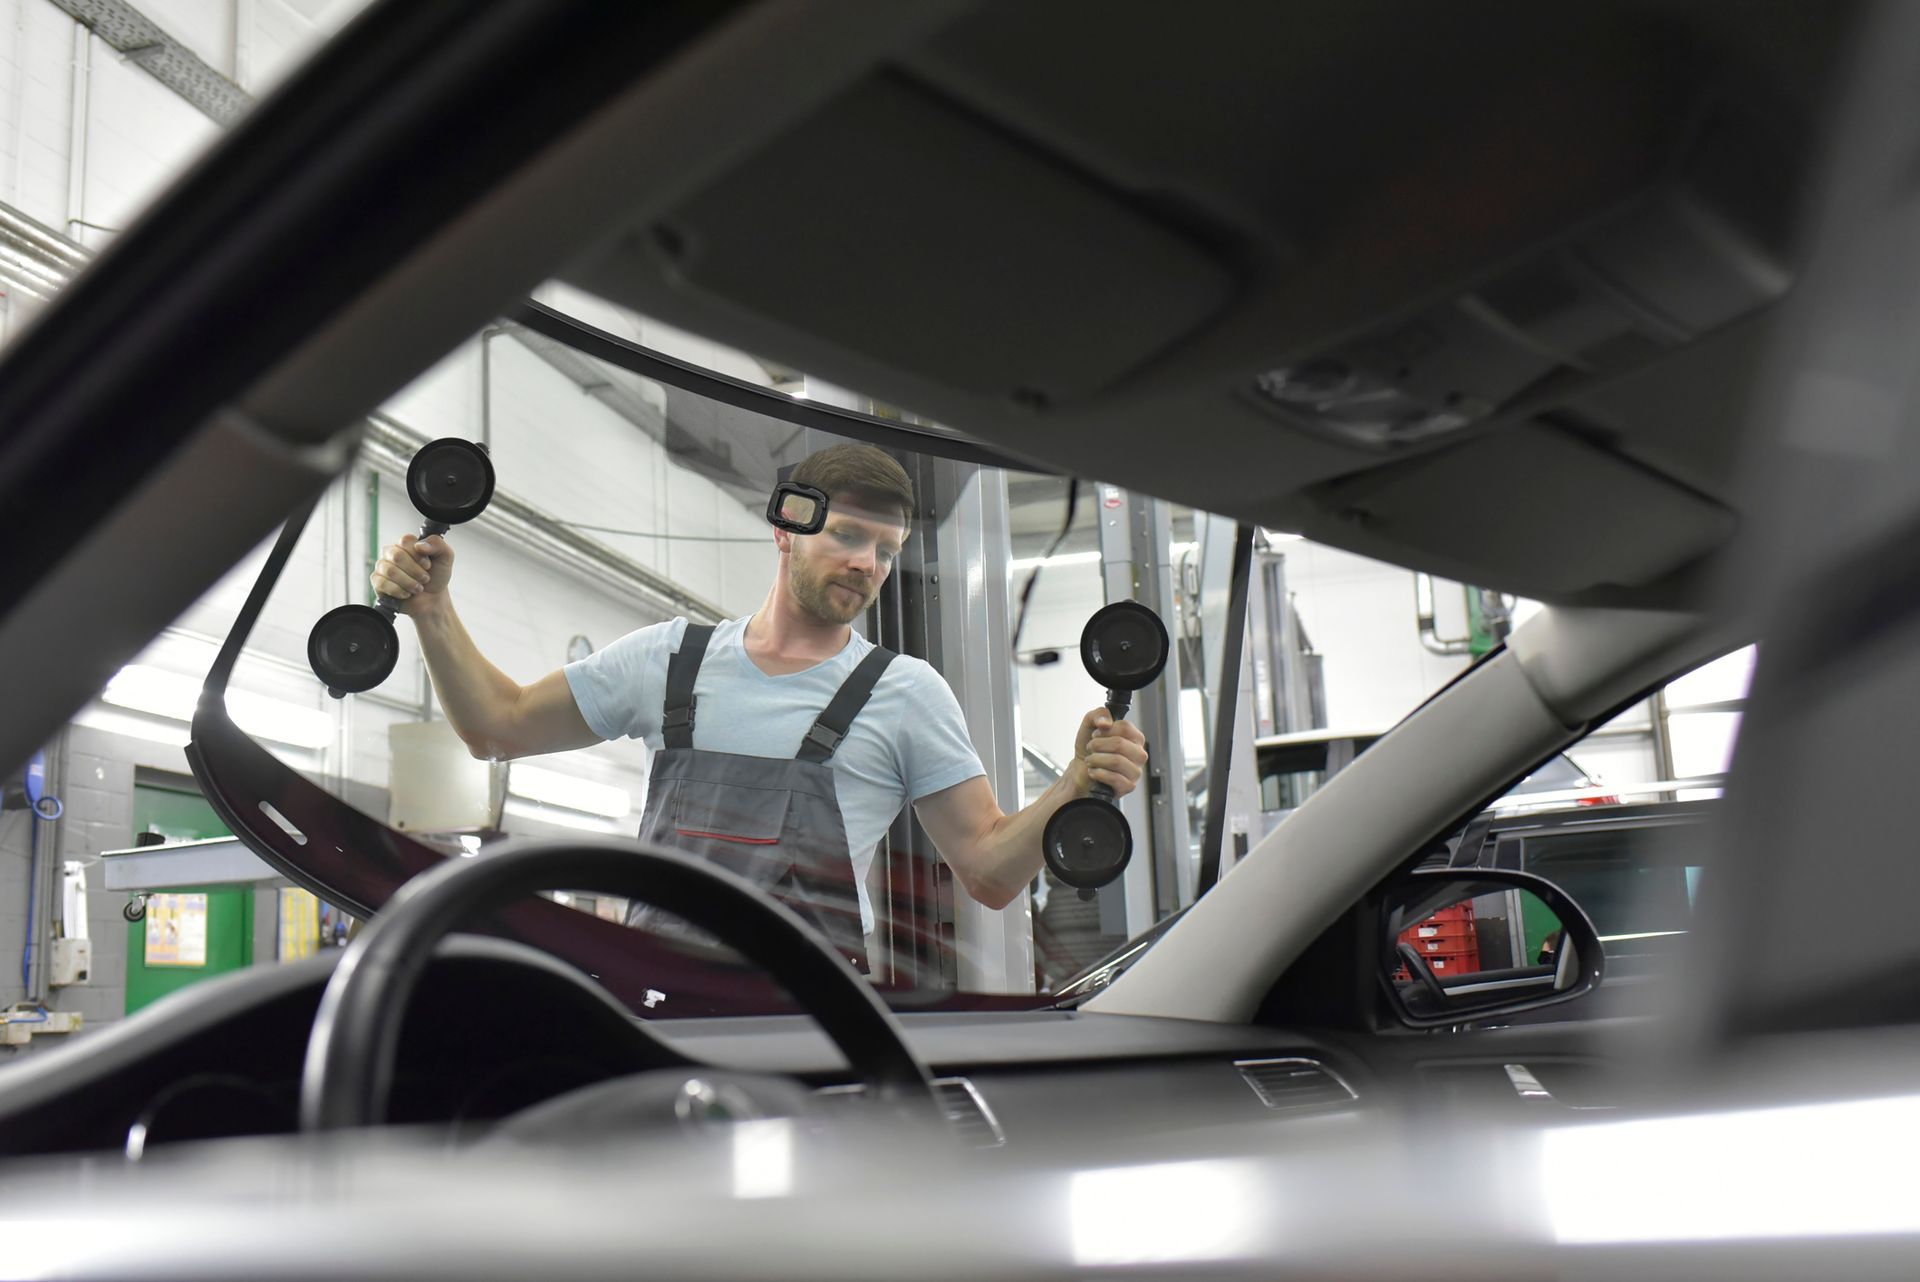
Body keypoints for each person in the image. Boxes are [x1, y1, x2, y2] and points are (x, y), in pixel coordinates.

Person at [370, 443, 1148, 969]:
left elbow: (988, 871)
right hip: (663, 1003)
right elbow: (494, 727)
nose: (866, 564)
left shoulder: (906, 694)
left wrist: (1074, 784)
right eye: (847, 535)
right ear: (786, 526)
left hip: (817, 1020)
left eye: (884, 548)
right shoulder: (668, 660)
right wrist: (434, 610)